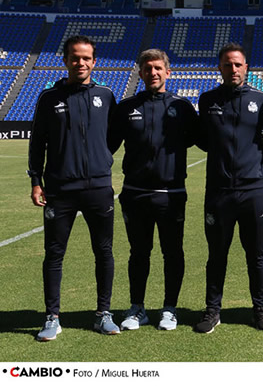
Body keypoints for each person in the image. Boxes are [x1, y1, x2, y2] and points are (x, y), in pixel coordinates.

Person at [28, 35, 119, 341]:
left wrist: (102, 158)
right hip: (60, 189)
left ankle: (103, 313)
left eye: (86, 58)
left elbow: (113, 136)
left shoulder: (106, 96)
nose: (80, 63)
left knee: (104, 251)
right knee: (54, 254)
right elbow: (37, 142)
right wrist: (36, 181)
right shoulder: (48, 97)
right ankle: (52, 317)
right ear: (65, 60)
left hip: (98, 188)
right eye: (75, 58)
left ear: (95, 61)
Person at [108, 49, 198, 331]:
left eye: (158, 68)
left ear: (167, 72)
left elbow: (200, 139)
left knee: (173, 252)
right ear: (141, 72)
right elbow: (107, 146)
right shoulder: (126, 107)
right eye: (147, 68)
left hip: (171, 194)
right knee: (139, 252)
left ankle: (169, 309)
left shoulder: (182, 107)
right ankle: (137, 308)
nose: (153, 73)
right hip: (135, 193)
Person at [194, 43, 263, 333]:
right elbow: (202, 138)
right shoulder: (207, 100)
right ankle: (212, 310)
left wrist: (253, 155)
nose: (233, 69)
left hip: (253, 190)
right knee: (216, 254)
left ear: (246, 67)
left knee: (256, 254)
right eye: (228, 64)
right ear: (220, 67)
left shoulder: (262, 100)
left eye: (238, 64)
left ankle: (260, 309)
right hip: (218, 191)